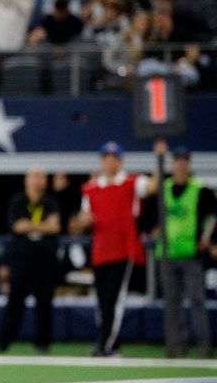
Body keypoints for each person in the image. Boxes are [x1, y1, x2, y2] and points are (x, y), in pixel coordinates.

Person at [75, 141, 163, 357]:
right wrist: (83, 220)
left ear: (120, 161)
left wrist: (160, 160)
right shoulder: (91, 188)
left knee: (115, 299)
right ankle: (111, 343)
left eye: (115, 158)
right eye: (107, 158)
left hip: (124, 250)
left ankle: (104, 343)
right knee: (102, 299)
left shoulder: (131, 182)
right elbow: (83, 219)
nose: (110, 162)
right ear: (102, 161)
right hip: (100, 251)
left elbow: (153, 186)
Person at [157, 148, 216, 358]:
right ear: (173, 165)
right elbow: (150, 216)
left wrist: (208, 239)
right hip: (167, 253)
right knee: (172, 302)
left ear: (189, 165)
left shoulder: (200, 190)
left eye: (184, 162)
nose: (181, 165)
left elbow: (212, 217)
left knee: (197, 300)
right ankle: (175, 345)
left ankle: (203, 345)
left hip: (192, 254)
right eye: (178, 162)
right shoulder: (163, 189)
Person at [0, 168, 61, 353]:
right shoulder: (18, 201)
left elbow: (55, 227)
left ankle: (43, 343)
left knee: (45, 302)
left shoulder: (51, 202)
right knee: (15, 301)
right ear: (26, 180)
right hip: (22, 259)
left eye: (42, 176)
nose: (38, 180)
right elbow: (17, 226)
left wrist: (31, 226)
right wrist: (43, 227)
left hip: (45, 259)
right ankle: (3, 341)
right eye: (34, 176)